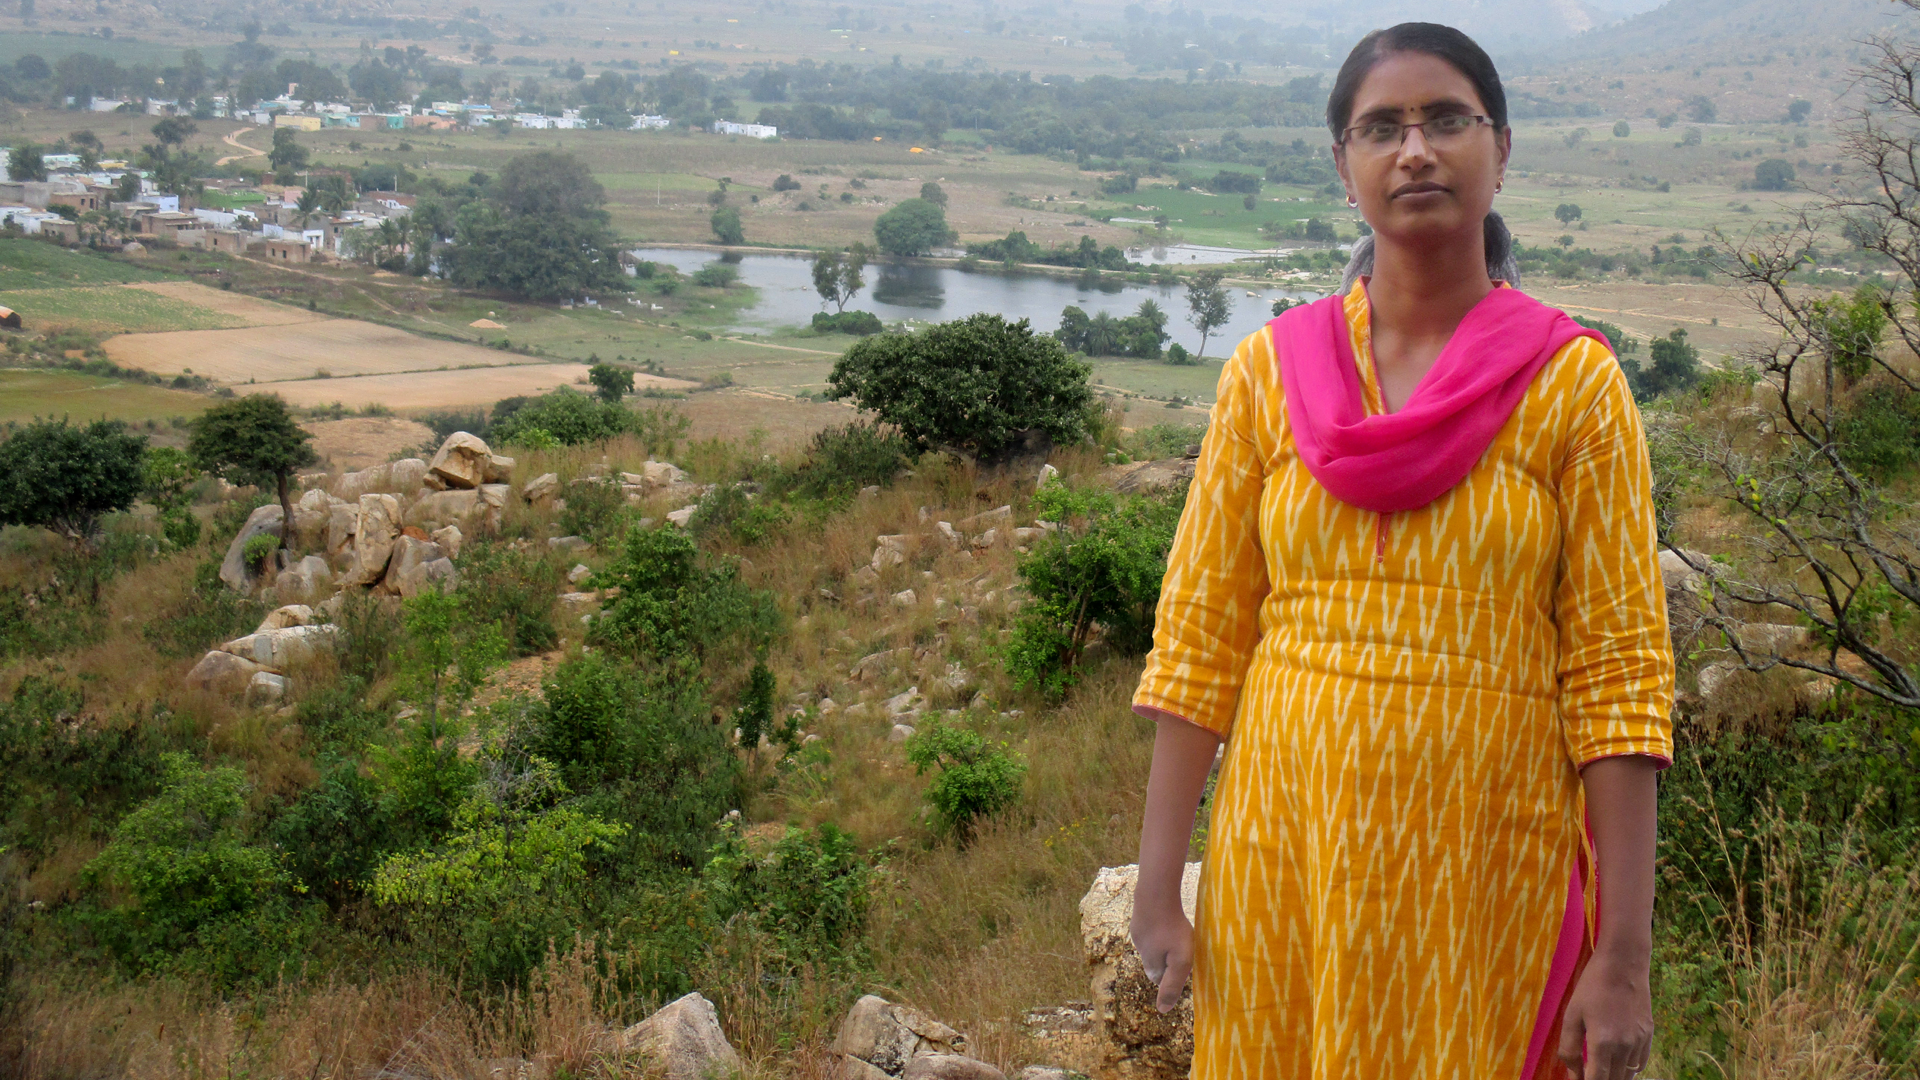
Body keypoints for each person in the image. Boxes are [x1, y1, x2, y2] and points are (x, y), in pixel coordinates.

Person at [1128, 22, 1674, 1080]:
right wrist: (1158, 887)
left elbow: (1618, 676)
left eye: (1446, 120)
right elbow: (1200, 642)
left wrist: (1624, 958)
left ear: (1501, 148)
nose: (1415, 150)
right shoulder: (1267, 375)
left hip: (1489, 879)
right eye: (1382, 128)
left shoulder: (1574, 386)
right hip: (1285, 862)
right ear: (1345, 167)